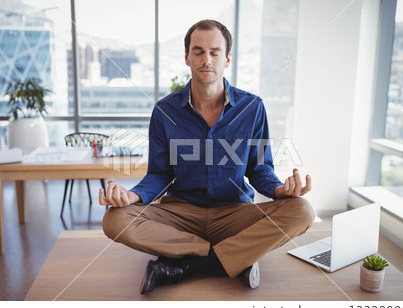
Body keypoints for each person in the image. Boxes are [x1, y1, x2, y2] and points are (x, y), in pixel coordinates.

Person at [100, 19, 314, 294]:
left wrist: (279, 190)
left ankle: (187, 263)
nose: (206, 59)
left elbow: (260, 169)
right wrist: (133, 196)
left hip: (234, 212)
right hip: (181, 212)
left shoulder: (252, 108)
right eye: (198, 51)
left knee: (302, 211)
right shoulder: (165, 111)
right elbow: (159, 174)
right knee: (114, 220)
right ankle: (236, 258)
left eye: (214, 52)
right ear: (187, 57)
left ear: (226, 59)